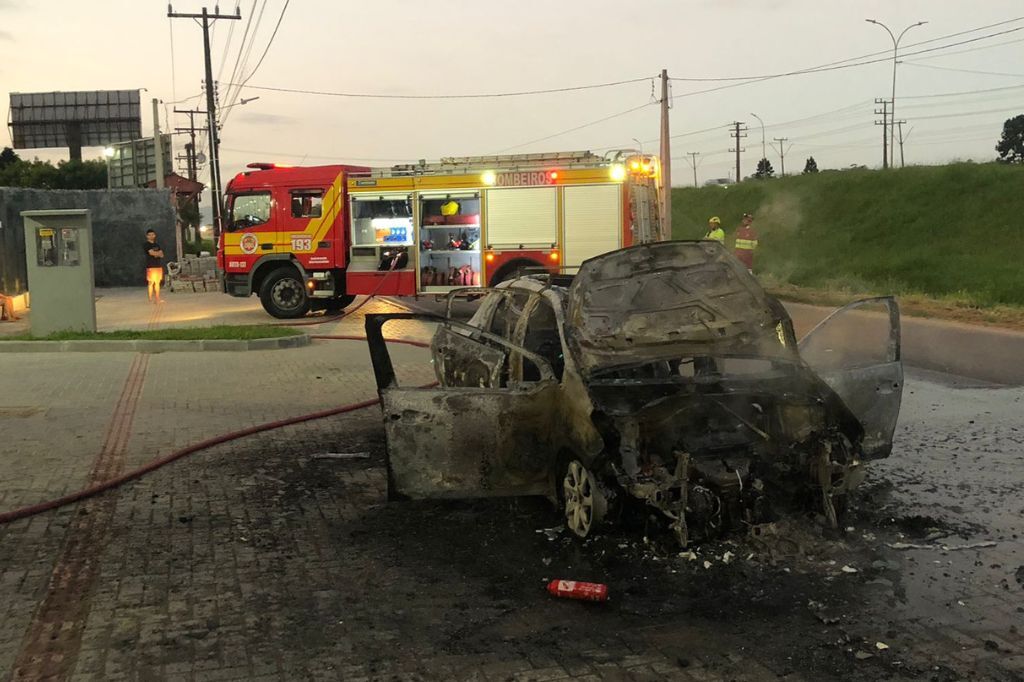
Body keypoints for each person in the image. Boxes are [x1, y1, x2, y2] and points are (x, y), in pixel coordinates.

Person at [144, 229, 165, 303]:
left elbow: (162, 254)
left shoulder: (157, 245)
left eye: (153, 234)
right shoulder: (146, 245)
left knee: (157, 282)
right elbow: (151, 253)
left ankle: (157, 298)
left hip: (158, 266)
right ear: (147, 236)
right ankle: (150, 299)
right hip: (151, 266)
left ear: (155, 235)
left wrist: (157, 254)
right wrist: (157, 253)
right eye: (149, 235)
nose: (151, 236)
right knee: (151, 282)